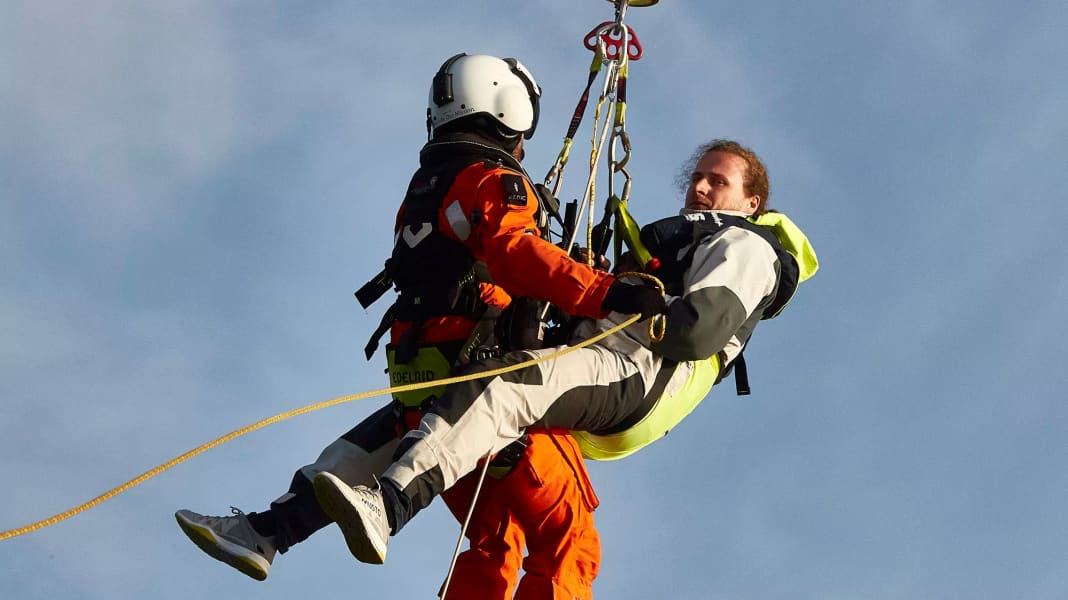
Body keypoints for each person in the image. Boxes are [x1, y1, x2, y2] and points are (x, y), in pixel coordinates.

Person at [174, 53, 661, 598]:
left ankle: (265, 529)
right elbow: (512, 251)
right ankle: (384, 506)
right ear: (507, 111)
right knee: (570, 539)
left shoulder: (425, 189)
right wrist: (604, 289)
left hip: (420, 378)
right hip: (479, 382)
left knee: (488, 534)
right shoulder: (493, 180)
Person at [308, 139, 820, 567]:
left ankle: (390, 506)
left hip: (642, 374)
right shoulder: (683, 244)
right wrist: (599, 288)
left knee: (503, 384)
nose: (702, 188)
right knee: (428, 402)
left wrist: (625, 295)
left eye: (719, 181)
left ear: (752, 203)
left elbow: (694, 332)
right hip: (616, 361)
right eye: (698, 178)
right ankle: (272, 529)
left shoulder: (747, 247)